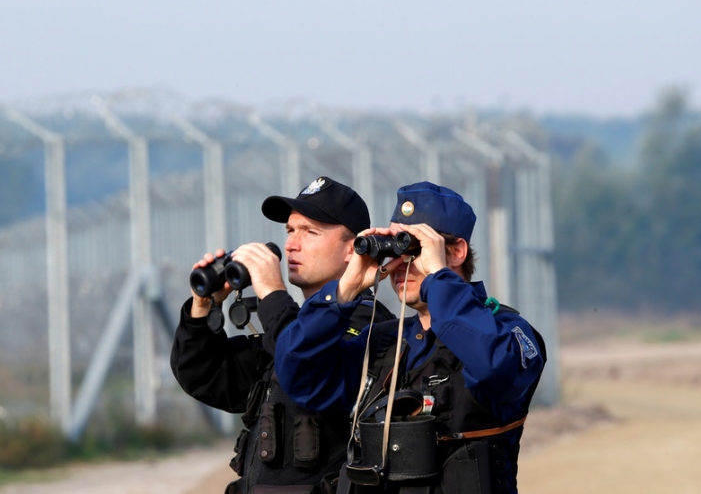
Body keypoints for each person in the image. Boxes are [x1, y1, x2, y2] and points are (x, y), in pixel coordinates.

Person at [274, 181, 546, 494]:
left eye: (412, 248)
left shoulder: (507, 332)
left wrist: (438, 279)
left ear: (456, 251)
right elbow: (298, 375)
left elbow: (495, 368)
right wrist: (343, 294)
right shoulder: (383, 342)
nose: (401, 263)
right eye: (395, 249)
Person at [171, 176, 396, 494]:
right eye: (290, 231)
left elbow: (304, 361)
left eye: (310, 232)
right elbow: (203, 375)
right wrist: (202, 308)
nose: (291, 244)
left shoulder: (368, 325)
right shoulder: (290, 330)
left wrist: (273, 292)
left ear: (353, 249)